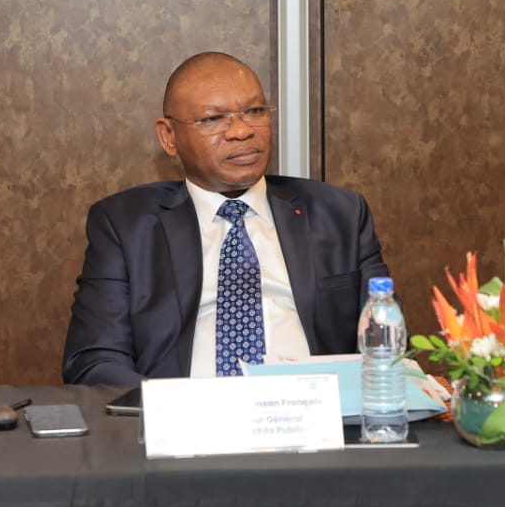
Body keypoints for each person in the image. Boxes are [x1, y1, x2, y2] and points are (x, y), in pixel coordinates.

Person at [62, 52, 389, 385]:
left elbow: (386, 346)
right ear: (169, 137)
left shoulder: (339, 214)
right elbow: (95, 360)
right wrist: (176, 407)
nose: (242, 131)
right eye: (213, 119)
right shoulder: (125, 225)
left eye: (254, 112)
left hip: (314, 407)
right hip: (185, 411)